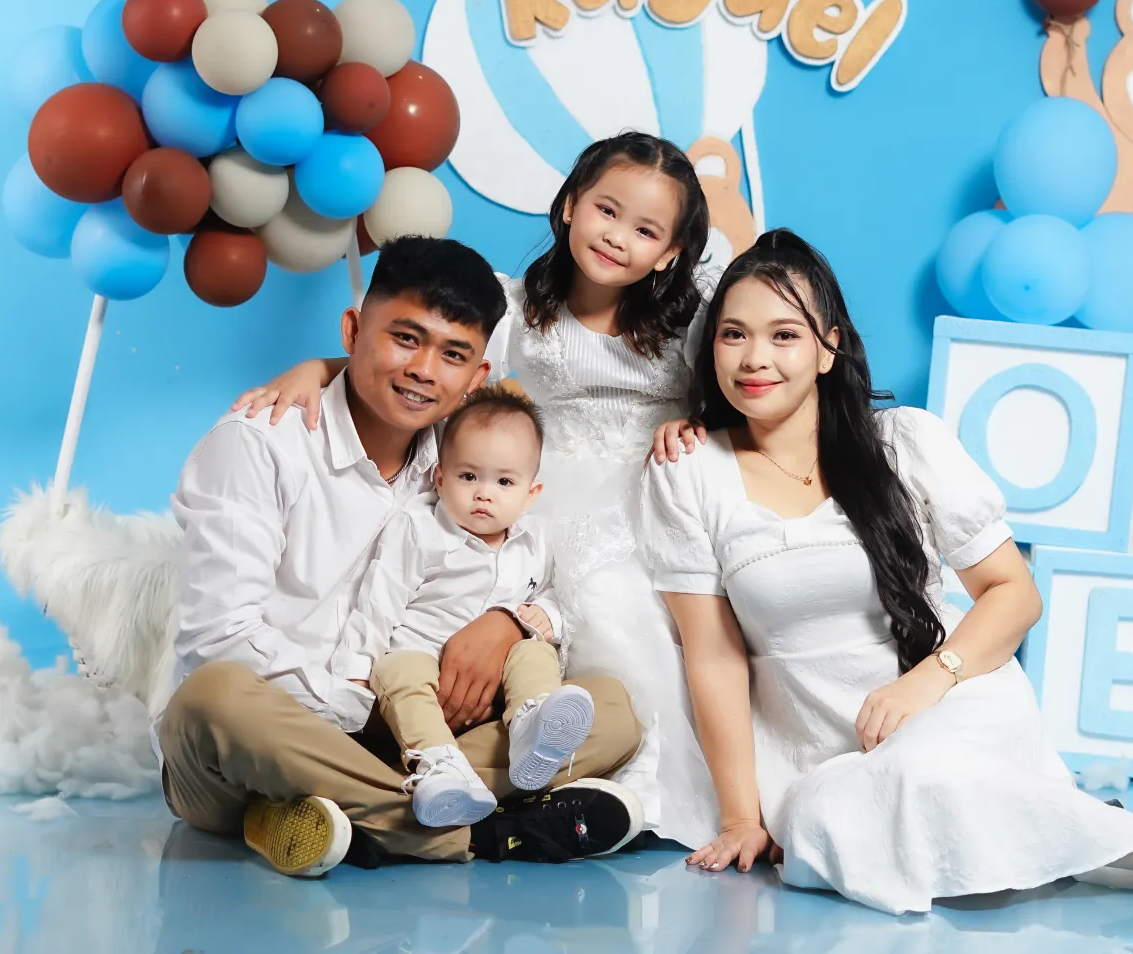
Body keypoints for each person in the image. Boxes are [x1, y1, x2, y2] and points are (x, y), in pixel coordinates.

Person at [642, 229, 1133, 915]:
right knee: (820, 822)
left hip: (953, 697)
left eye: (784, 335)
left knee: (922, 770)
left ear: (828, 347)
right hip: (818, 753)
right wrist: (740, 815)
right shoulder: (688, 471)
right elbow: (714, 655)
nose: (755, 358)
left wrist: (926, 683)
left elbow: (1014, 594)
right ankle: (1080, 828)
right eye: (733, 335)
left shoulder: (904, 443)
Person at [235, 132, 721, 845]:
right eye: (606, 211)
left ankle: (616, 784)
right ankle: (456, 777)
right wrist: (320, 367)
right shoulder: (518, 308)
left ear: (673, 252)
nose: (618, 237)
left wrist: (693, 422)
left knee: (627, 608)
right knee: (500, 589)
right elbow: (428, 366)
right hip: (531, 492)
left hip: (646, 496)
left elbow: (736, 389)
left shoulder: (691, 322)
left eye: (646, 231)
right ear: (569, 205)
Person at [159, 236, 644, 879]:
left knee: (611, 710)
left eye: (453, 355)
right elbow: (217, 640)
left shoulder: (464, 452)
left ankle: (345, 813)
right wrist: (355, 709)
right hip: (280, 730)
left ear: (475, 378)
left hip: (413, 730)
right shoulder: (259, 446)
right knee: (212, 698)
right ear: (353, 330)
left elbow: (527, 555)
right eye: (405, 338)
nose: (423, 370)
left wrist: (507, 624)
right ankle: (483, 834)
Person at [329, 387, 611, 835]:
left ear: (531, 493)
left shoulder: (535, 541)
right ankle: (439, 764)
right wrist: (355, 676)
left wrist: (547, 616)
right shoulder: (419, 527)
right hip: (423, 661)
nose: (484, 494)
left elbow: (554, 595)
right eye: (468, 477)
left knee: (535, 651)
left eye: (504, 483)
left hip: (495, 687)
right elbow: (378, 602)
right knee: (398, 670)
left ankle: (532, 723)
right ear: (440, 479)